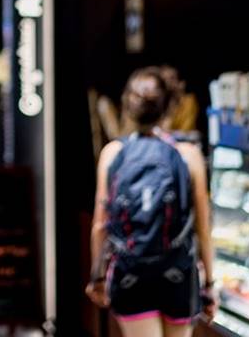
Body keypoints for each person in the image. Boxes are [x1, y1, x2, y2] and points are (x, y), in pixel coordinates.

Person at [87, 68, 214, 337]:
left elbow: (100, 225)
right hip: (178, 274)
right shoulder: (189, 155)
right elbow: (203, 228)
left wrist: (97, 277)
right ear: (169, 105)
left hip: (130, 274)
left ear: (128, 106)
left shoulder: (113, 154)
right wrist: (210, 285)